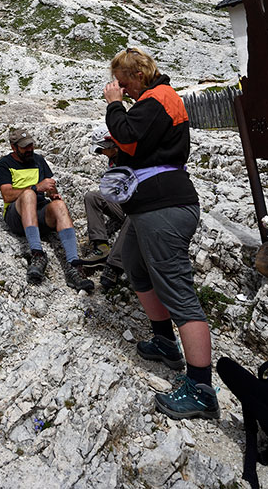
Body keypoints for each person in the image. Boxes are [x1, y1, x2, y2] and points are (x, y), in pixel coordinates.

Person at [103, 47, 219, 420]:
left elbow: (132, 138)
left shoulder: (158, 98)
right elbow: (141, 146)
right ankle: (166, 342)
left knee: (178, 292)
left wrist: (114, 106)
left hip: (163, 206)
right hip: (148, 205)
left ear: (137, 75)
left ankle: (201, 389)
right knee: (136, 269)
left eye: (124, 83)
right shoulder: (157, 100)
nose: (122, 88)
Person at [0, 128, 94, 292]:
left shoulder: (38, 160)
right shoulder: (4, 164)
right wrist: (35, 187)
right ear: (14, 147)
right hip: (17, 215)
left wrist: (53, 194)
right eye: (24, 147)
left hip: (39, 212)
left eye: (30, 145)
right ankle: (37, 254)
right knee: (28, 195)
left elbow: (49, 185)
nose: (29, 150)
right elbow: (7, 195)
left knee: (59, 206)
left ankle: (74, 266)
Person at [79, 127, 128, 290]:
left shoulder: (130, 155)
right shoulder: (113, 159)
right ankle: (101, 246)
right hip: (122, 203)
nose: (100, 153)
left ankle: (114, 267)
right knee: (92, 196)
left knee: (135, 216)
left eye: (101, 149)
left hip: (137, 206)